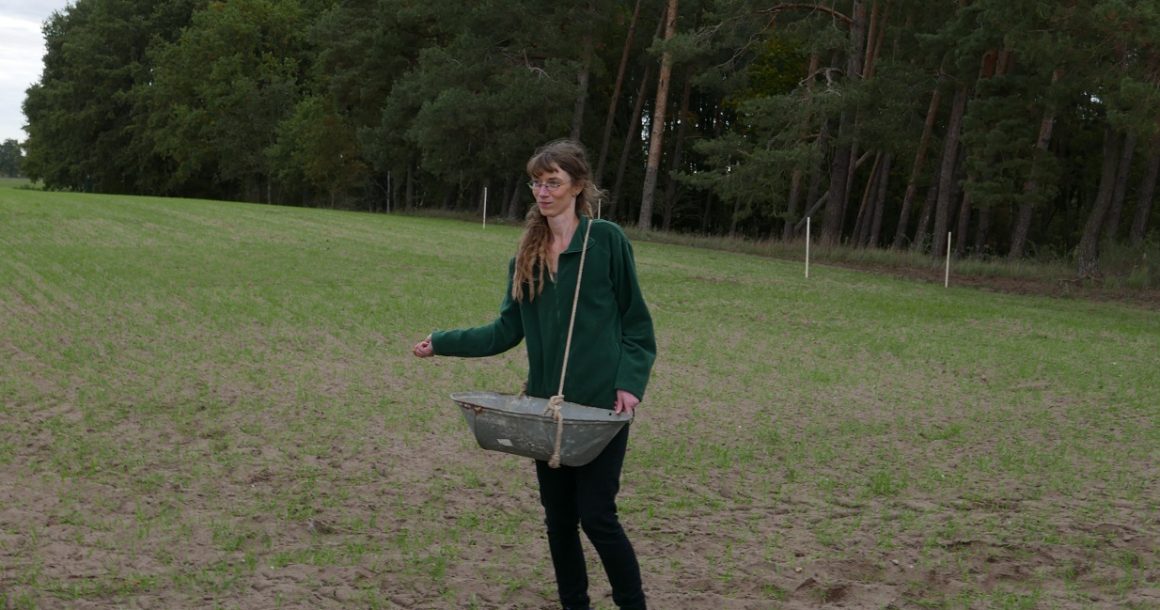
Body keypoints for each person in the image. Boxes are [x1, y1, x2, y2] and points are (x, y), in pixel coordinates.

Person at [412, 139, 656, 610]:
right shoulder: (525, 258)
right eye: (537, 183)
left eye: (553, 183)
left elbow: (636, 323)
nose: (542, 192)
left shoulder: (606, 241)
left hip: (600, 408)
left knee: (598, 517)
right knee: (559, 521)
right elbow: (505, 330)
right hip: (545, 411)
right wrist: (442, 341)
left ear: (577, 187)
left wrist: (630, 381)